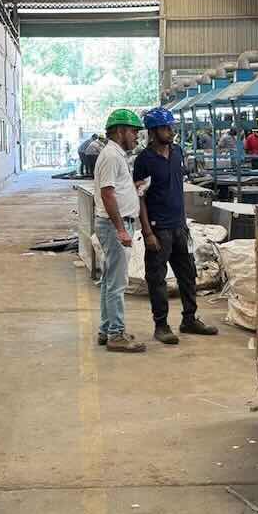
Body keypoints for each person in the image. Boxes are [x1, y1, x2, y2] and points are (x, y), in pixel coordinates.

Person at [135, 108, 218, 346]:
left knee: (188, 274)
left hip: (179, 227)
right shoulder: (144, 160)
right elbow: (140, 197)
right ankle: (161, 325)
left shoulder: (178, 152)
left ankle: (189, 319)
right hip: (158, 228)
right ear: (153, 132)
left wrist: (184, 224)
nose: (171, 132)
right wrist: (147, 232)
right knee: (157, 279)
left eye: (171, 127)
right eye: (165, 128)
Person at [93, 109, 146, 354]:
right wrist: (120, 229)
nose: (136, 136)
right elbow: (107, 193)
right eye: (133, 132)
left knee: (109, 280)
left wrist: (131, 189)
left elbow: (114, 189)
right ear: (120, 131)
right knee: (116, 283)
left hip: (117, 223)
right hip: (115, 225)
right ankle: (116, 334)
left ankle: (107, 329)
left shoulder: (115, 154)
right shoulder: (111, 156)